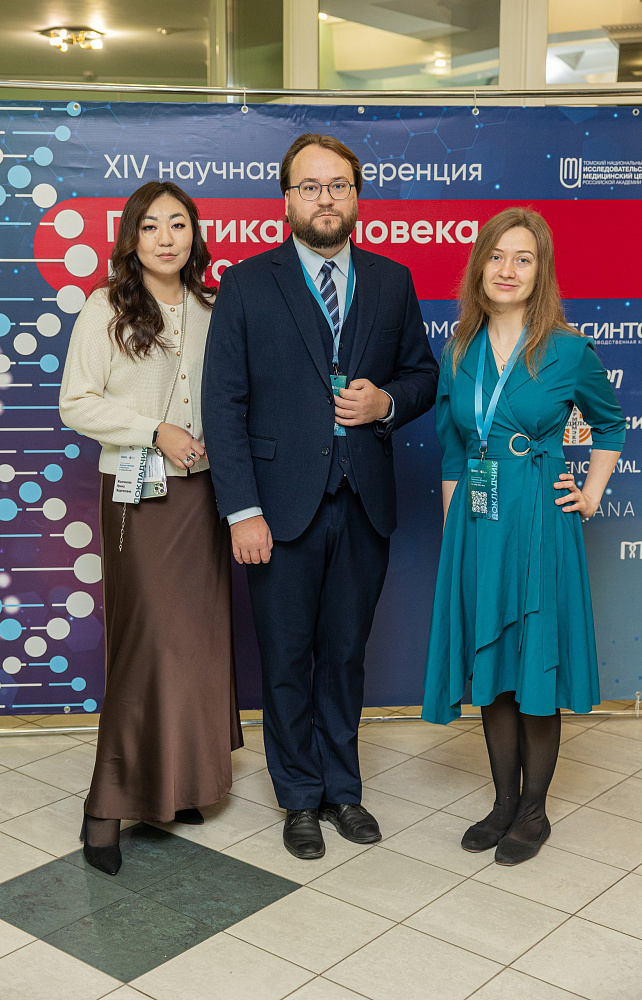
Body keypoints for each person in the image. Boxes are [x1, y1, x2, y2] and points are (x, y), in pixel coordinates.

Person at [202, 133, 439, 860]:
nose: (325, 198)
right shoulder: (247, 284)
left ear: (356, 196)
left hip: (363, 503)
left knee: (344, 655)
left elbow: (423, 376)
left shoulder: (392, 280)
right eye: (310, 186)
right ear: (287, 199)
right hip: (277, 511)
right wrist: (242, 510)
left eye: (338, 185)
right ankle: (299, 797)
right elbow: (223, 404)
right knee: (284, 659)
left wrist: (386, 404)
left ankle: (343, 789)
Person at [422, 207, 625, 865]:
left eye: (523, 259)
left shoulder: (568, 349)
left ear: (541, 274)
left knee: (533, 660)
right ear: (478, 266)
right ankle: (503, 803)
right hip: (478, 527)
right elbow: (454, 450)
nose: (507, 270)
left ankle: (534, 812)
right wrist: (456, 534)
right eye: (497, 256)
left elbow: (611, 424)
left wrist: (591, 492)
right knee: (493, 664)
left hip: (540, 520)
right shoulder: (459, 351)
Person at [59, 180, 242, 876]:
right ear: (131, 237)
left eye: (179, 224)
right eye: (151, 226)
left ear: (195, 234)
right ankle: (105, 806)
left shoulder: (213, 307)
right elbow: (75, 402)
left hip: (205, 498)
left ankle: (176, 785)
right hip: (138, 498)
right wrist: (153, 430)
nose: (167, 238)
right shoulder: (106, 307)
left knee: (196, 644)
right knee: (146, 646)